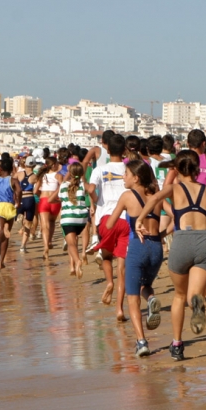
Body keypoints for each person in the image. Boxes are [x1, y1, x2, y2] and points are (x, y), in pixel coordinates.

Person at [138, 150, 206, 361]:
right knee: (193, 294)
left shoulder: (173, 189)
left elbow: (154, 200)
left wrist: (139, 220)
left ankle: (177, 344)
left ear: (177, 170)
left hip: (181, 242)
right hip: (204, 244)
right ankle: (196, 302)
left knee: (179, 296)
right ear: (198, 169)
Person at [107, 160, 165, 358]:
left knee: (132, 298)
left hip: (137, 247)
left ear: (136, 178)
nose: (123, 177)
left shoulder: (127, 196)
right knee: (145, 285)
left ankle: (141, 342)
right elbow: (174, 216)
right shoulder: (156, 197)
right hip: (157, 247)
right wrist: (162, 234)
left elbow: (111, 224)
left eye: (126, 174)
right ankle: (151, 299)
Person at [87, 134, 129, 321]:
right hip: (126, 218)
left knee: (106, 255)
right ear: (125, 150)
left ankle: (109, 282)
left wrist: (96, 201)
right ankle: (120, 309)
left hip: (106, 218)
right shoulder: (129, 169)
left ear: (108, 150)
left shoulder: (100, 169)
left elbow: (90, 189)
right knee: (122, 267)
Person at [48, 162, 89, 278]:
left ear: (70, 173)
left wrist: (63, 202)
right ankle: (78, 260)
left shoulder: (64, 185)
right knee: (75, 239)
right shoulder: (83, 184)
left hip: (68, 218)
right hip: (81, 218)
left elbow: (51, 200)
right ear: (82, 173)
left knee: (71, 244)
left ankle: (77, 261)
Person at [0, 159, 21, 269]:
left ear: (0, 169)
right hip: (9, 207)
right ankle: (0, 262)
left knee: (0, 235)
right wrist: (18, 201)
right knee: (5, 238)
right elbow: (19, 190)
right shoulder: (13, 180)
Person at [34, 156, 63, 259]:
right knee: (52, 222)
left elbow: (35, 191)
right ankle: (50, 241)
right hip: (55, 201)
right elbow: (62, 187)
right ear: (54, 165)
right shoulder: (58, 176)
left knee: (44, 226)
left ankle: (46, 246)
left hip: (44, 200)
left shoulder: (42, 176)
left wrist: (41, 196)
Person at [16, 157, 37, 253]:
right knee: (29, 223)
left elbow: (12, 183)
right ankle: (22, 246)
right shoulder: (35, 176)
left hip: (20, 198)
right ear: (34, 165)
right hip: (30, 198)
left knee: (20, 214)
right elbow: (36, 190)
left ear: (25, 164)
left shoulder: (19, 174)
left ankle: (20, 219)